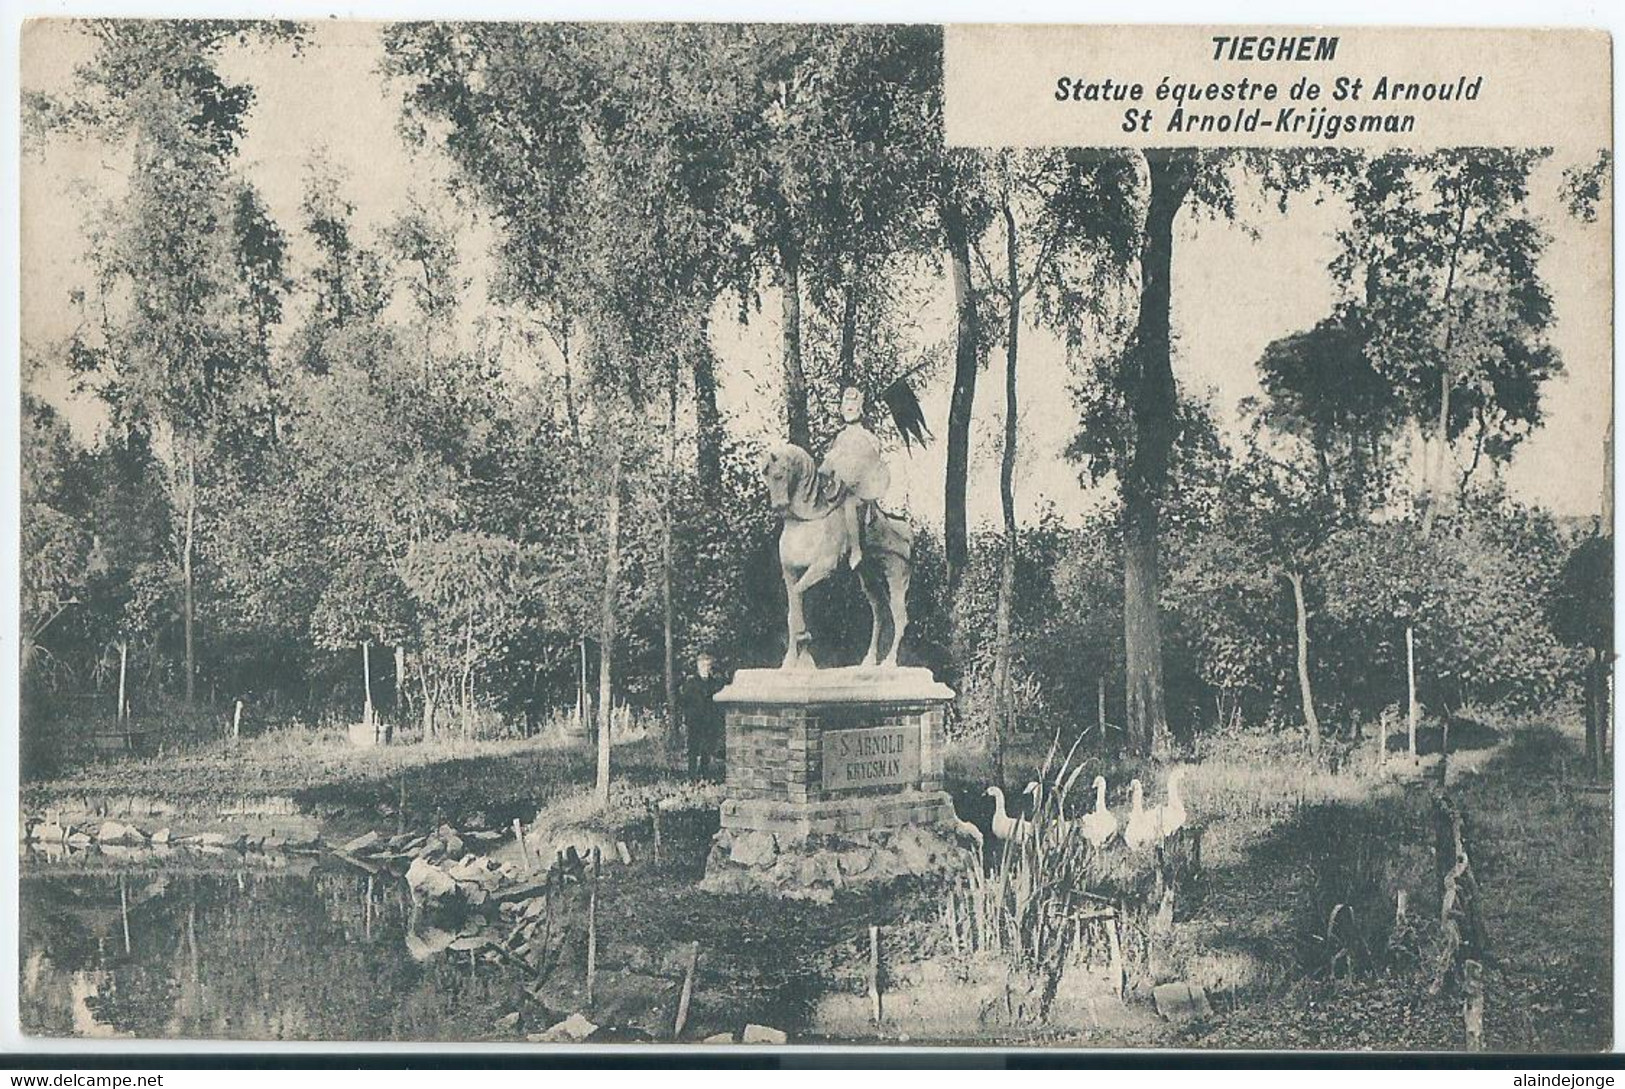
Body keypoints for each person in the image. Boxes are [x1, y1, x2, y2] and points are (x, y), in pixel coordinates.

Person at [819, 386, 890, 569]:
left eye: (854, 406)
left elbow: (874, 466)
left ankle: (856, 549)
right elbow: (830, 464)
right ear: (842, 410)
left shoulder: (869, 438)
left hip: (860, 493)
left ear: (861, 409)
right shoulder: (840, 438)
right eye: (846, 406)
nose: (849, 409)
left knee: (850, 503)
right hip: (838, 491)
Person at [679, 652, 725, 779]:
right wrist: (688, 717)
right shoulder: (691, 682)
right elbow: (684, 702)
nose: (706, 668)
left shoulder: (714, 683)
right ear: (698, 666)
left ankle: (705, 774)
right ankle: (691, 775)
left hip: (709, 721)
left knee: (707, 749)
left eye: (708, 665)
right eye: (703, 665)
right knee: (693, 749)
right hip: (695, 721)